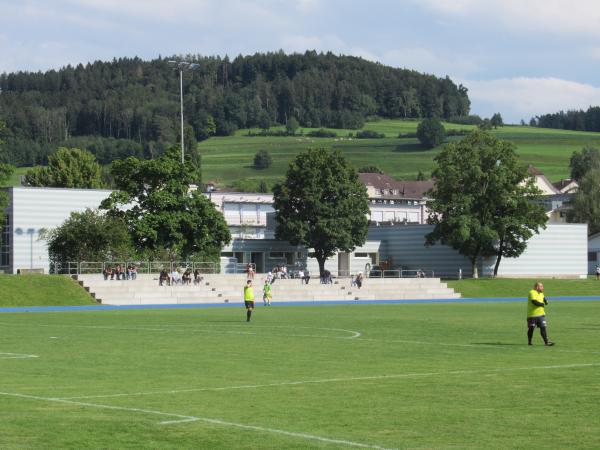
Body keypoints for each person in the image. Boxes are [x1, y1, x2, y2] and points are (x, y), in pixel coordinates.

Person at [527, 282, 555, 346]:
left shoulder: (541, 293)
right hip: (532, 315)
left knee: (543, 327)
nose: (543, 288)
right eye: (541, 286)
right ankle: (529, 341)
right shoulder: (532, 292)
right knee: (531, 328)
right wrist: (542, 304)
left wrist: (546, 301)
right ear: (537, 287)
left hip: (541, 314)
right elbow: (534, 302)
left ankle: (546, 342)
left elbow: (543, 298)